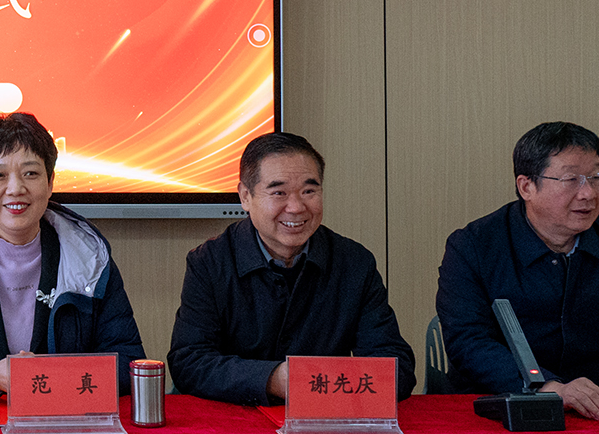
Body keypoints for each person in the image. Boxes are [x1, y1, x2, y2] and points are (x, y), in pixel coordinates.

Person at [436, 120, 599, 418]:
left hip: (598, 409)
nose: (588, 193)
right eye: (572, 180)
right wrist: (548, 387)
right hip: (498, 406)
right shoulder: (474, 246)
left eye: (595, 177)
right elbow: (469, 342)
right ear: (527, 186)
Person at [0, 112, 145, 401]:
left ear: (50, 182)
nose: (16, 188)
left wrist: (50, 374)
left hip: (67, 418)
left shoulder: (90, 260)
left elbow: (129, 363)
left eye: (31, 173)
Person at [167, 131, 414, 405]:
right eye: (279, 193)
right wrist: (273, 379)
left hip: (324, 417)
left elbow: (397, 367)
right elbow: (189, 362)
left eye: (309, 191)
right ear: (245, 196)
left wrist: (326, 383)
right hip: (235, 417)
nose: (296, 207)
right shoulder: (210, 262)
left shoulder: (354, 263)